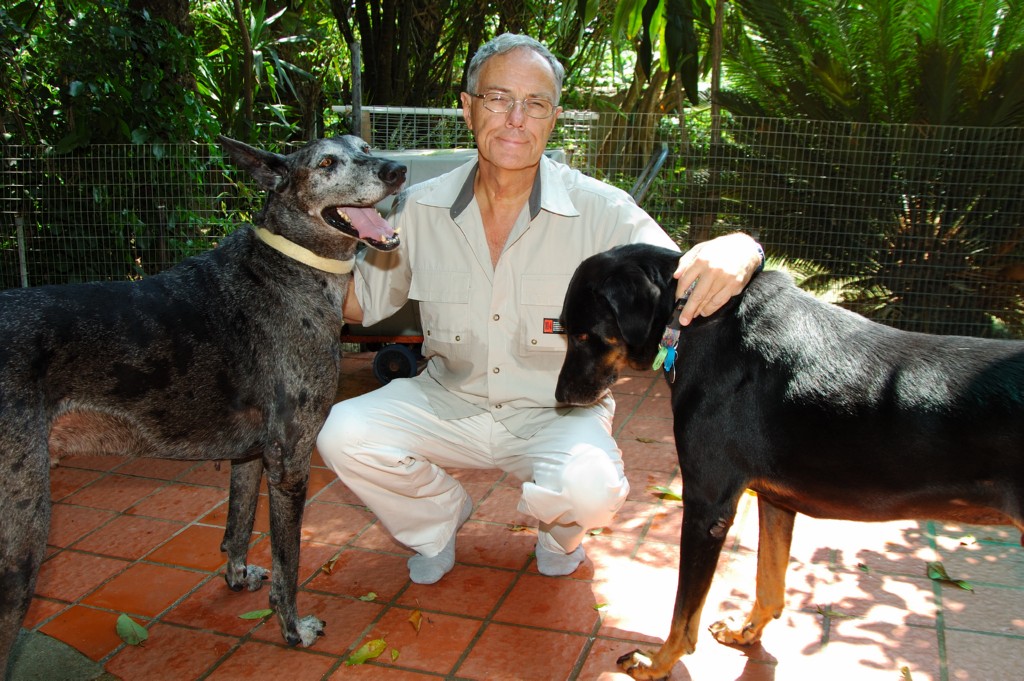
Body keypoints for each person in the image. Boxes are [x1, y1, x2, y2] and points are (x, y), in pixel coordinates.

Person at [317, 33, 763, 584]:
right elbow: (357, 304)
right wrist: (299, 244)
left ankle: (560, 532)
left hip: (558, 411)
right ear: (468, 107)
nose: (515, 119)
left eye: (535, 103)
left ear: (554, 118)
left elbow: (686, 284)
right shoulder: (421, 208)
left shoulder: (602, 211)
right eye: (498, 98)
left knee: (590, 488)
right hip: (446, 399)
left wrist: (742, 249)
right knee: (342, 432)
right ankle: (435, 522)